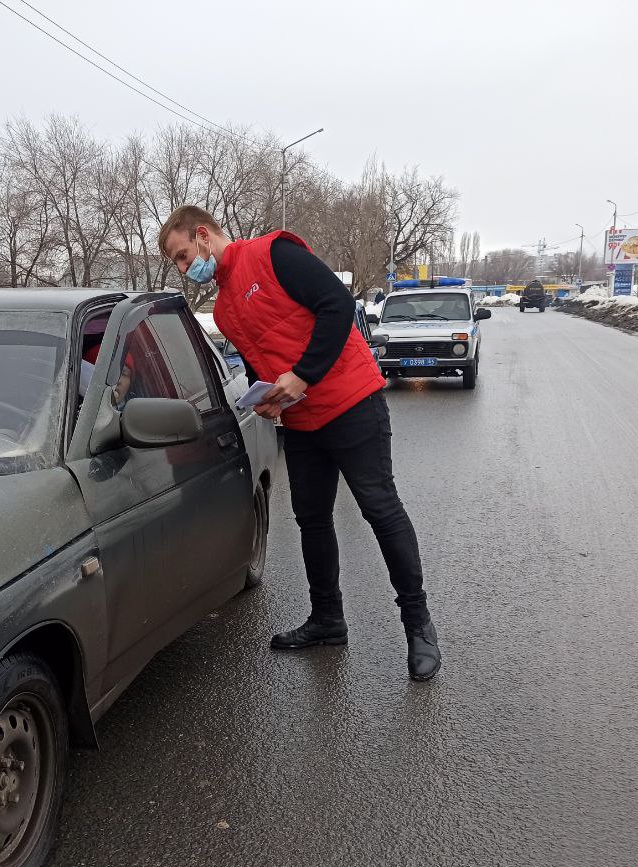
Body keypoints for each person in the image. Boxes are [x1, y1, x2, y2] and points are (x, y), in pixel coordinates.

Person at [159, 205, 441, 681]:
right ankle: (328, 619)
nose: (187, 270)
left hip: (352, 401)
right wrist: (267, 399)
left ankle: (418, 626)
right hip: (304, 421)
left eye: (185, 257)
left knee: (379, 507)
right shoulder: (224, 309)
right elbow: (261, 367)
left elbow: (337, 304)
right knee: (311, 518)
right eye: (179, 265)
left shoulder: (273, 253)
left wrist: (304, 376)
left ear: (203, 236)